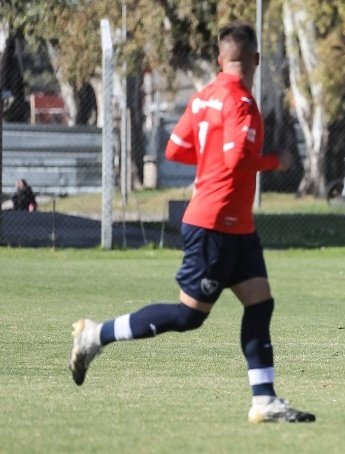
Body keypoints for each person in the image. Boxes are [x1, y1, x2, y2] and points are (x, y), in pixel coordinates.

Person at [68, 22, 315, 423]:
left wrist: (214, 159)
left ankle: (264, 400)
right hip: (215, 222)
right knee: (189, 316)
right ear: (254, 59)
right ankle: (95, 335)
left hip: (236, 225)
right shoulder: (242, 102)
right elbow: (236, 160)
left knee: (260, 302)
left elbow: (175, 149)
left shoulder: (203, 98)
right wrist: (275, 162)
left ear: (220, 59)